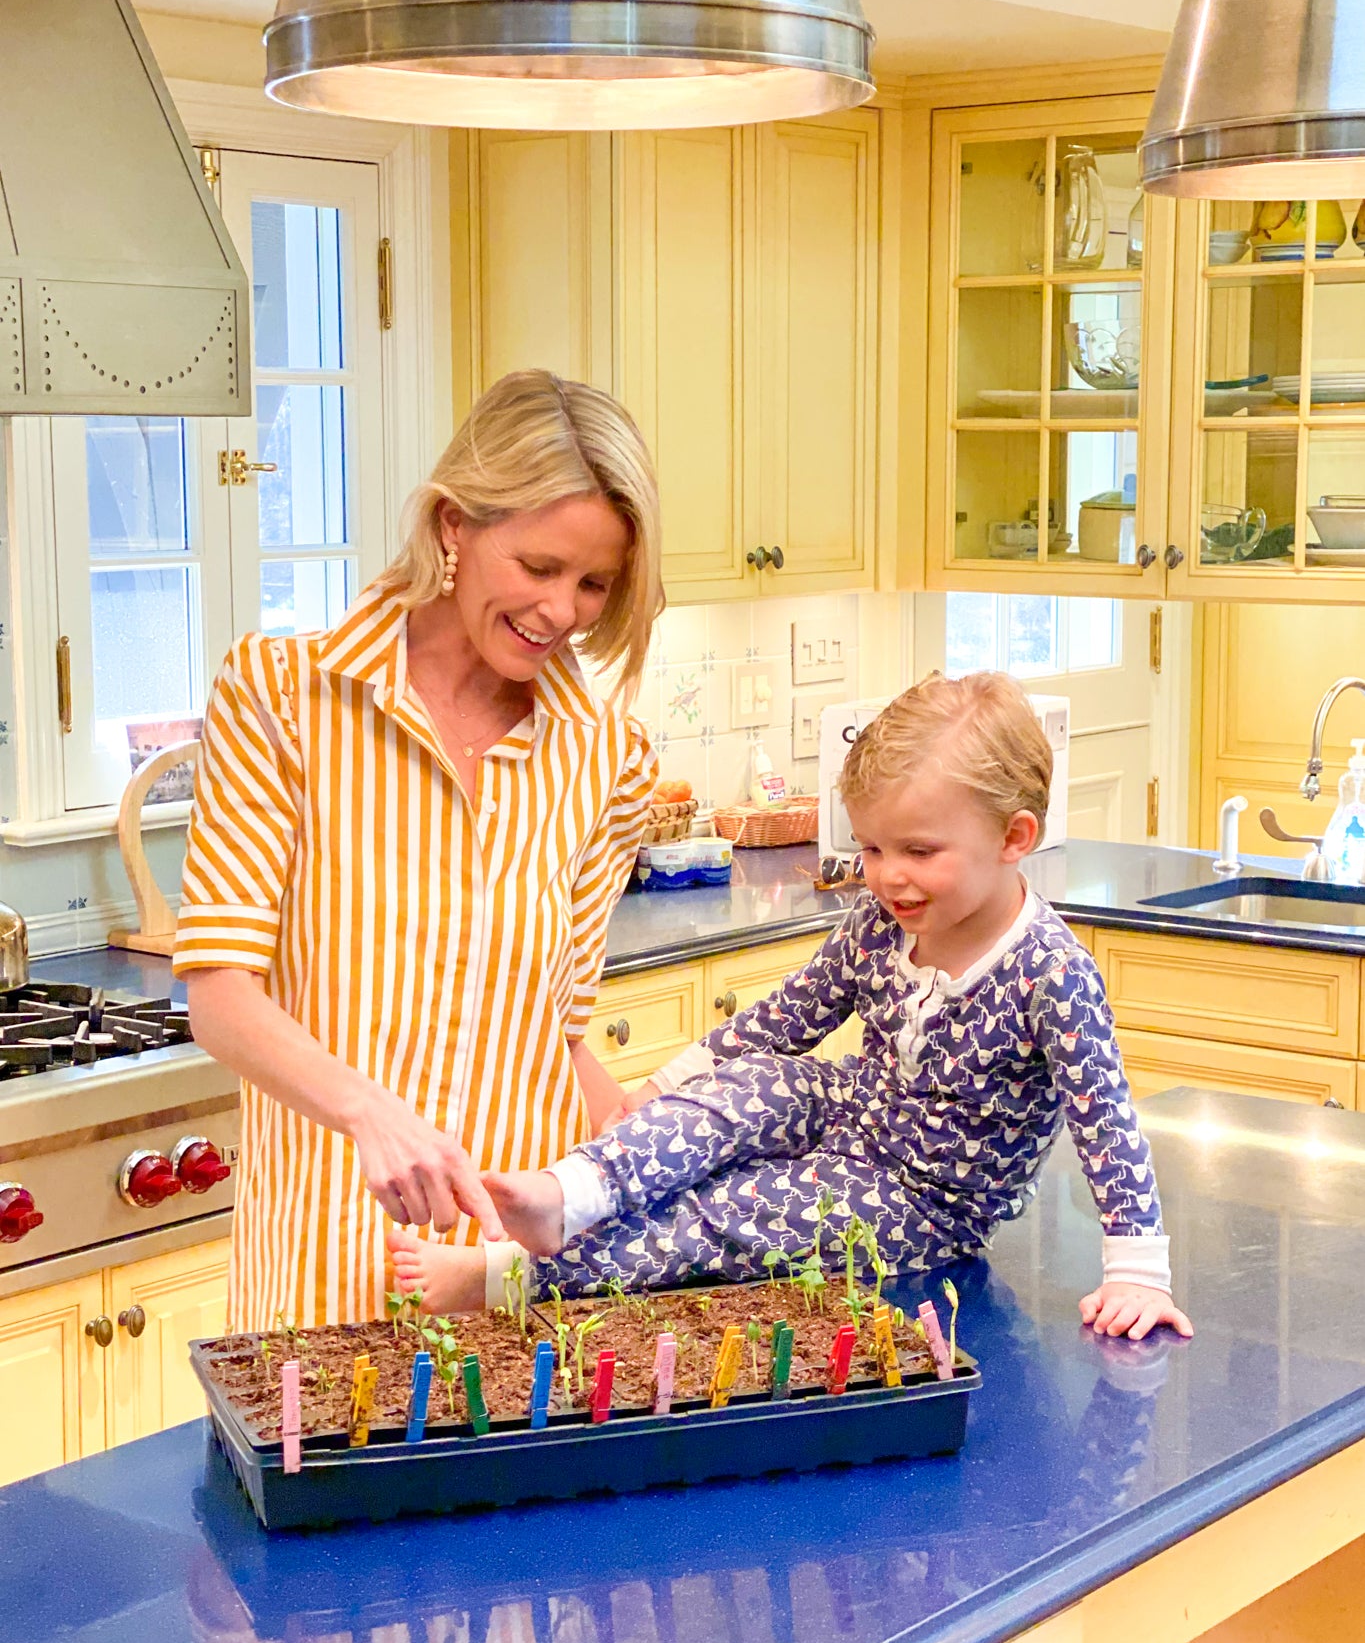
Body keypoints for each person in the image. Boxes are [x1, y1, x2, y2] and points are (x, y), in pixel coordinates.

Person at [391, 670, 1193, 1343]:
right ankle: (570, 1193)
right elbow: (787, 1016)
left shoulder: (1050, 973)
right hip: (846, 1108)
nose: (888, 875)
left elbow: (1107, 1126)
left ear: (1014, 838)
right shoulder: (883, 920)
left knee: (725, 1213)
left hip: (921, 1204)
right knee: (747, 1087)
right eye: (872, 848)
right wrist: (661, 1090)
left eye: (918, 851)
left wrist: (1137, 1274)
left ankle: (504, 1276)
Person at [176, 369, 663, 1331]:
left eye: (592, 584)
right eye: (537, 566)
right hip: (324, 1274)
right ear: (452, 526)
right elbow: (221, 997)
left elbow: (553, 1037)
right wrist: (369, 1112)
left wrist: (654, 1139)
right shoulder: (283, 698)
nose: (561, 611)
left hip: (503, 1287)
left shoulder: (608, 758)